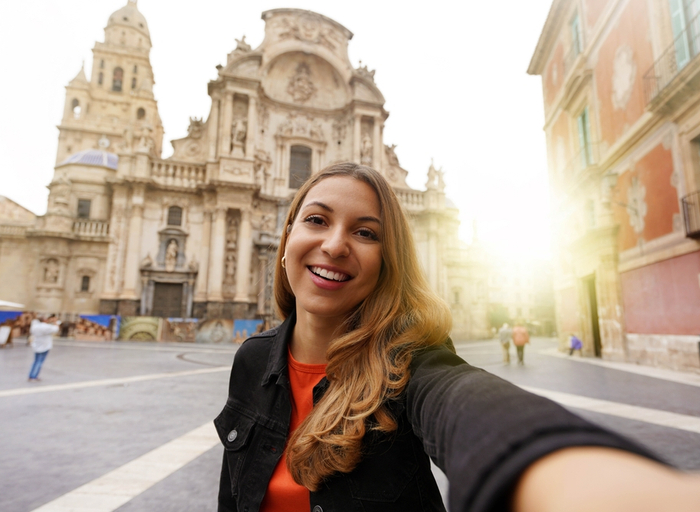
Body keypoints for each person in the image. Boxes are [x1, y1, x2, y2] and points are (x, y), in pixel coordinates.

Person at [215, 163, 700, 512]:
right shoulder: (252, 361)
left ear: (389, 266)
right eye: (317, 220)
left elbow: (468, 406)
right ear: (285, 245)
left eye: (366, 233)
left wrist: (569, 471)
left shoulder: (408, 365)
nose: (336, 244)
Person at [28, 316, 60, 381]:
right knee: (39, 362)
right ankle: (34, 376)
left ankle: (31, 375)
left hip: (36, 345)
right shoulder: (45, 327)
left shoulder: (35, 326)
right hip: (44, 346)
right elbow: (56, 329)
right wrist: (55, 322)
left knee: (35, 361)